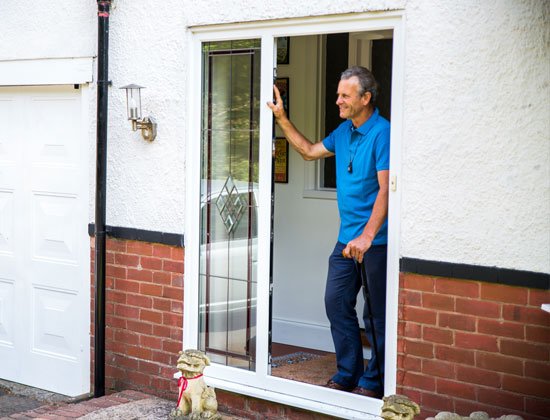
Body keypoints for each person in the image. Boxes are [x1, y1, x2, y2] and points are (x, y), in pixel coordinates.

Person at [267, 66, 390, 399]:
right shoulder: (344, 131)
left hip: (375, 241)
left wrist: (366, 236)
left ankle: (374, 381)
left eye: (344, 96)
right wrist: (281, 118)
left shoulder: (383, 133)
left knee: (375, 314)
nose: (337, 101)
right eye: (338, 94)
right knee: (336, 303)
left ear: (366, 98)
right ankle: (350, 372)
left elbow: (386, 189)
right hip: (346, 239)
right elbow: (308, 151)